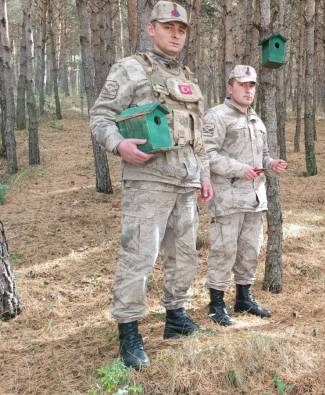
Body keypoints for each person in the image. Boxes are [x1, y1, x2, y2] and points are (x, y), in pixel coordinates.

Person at [90, 1, 213, 370]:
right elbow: (101, 116)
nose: (176, 34)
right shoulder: (130, 68)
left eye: (182, 29)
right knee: (139, 256)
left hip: (186, 180)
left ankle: (176, 317)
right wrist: (119, 145)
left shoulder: (187, 76)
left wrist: (204, 175)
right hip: (148, 181)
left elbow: (199, 134)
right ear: (151, 29)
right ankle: (129, 330)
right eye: (168, 27)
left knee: (185, 255)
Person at [202, 65, 287, 326]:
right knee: (224, 250)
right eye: (243, 85)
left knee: (250, 250)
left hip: (254, 198)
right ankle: (216, 303)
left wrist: (271, 163)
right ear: (230, 87)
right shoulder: (217, 116)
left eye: (252, 86)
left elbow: (261, 156)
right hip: (228, 198)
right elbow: (208, 154)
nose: (248, 90)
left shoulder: (255, 119)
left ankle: (243, 297)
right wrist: (240, 169)